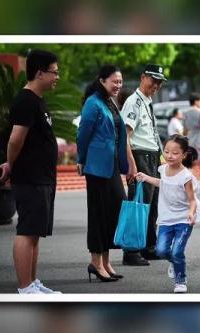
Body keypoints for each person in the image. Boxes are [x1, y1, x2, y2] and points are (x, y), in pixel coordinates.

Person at [0, 49, 61, 294]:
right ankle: (24, 287)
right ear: (39, 72)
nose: (57, 77)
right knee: (26, 231)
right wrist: (11, 164)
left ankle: (33, 283)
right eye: (54, 72)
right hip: (30, 177)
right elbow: (15, 140)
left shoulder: (37, 100)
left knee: (35, 232)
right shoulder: (25, 101)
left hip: (41, 177)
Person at [135, 134, 200, 293]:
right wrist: (146, 177)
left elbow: (192, 200)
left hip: (183, 220)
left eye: (174, 153)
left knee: (177, 251)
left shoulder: (186, 176)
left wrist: (191, 213)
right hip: (166, 220)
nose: (169, 156)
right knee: (161, 251)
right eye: (166, 152)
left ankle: (180, 280)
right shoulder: (163, 169)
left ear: (183, 155)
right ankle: (175, 263)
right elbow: (164, 184)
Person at [76, 65, 128, 283]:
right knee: (98, 215)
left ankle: (106, 261)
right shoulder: (93, 103)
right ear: (102, 80)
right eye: (114, 81)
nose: (118, 85)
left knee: (114, 211)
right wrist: (81, 160)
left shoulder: (110, 102)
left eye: (120, 81)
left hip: (112, 166)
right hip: (97, 168)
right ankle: (96, 262)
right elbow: (82, 135)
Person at [120, 64, 167, 266]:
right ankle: (131, 251)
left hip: (152, 156)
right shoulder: (134, 102)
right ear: (142, 77)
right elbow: (126, 137)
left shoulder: (146, 102)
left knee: (152, 204)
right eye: (153, 80)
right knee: (138, 204)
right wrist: (131, 164)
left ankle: (148, 246)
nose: (156, 85)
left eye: (159, 82)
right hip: (140, 156)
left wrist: (161, 156)